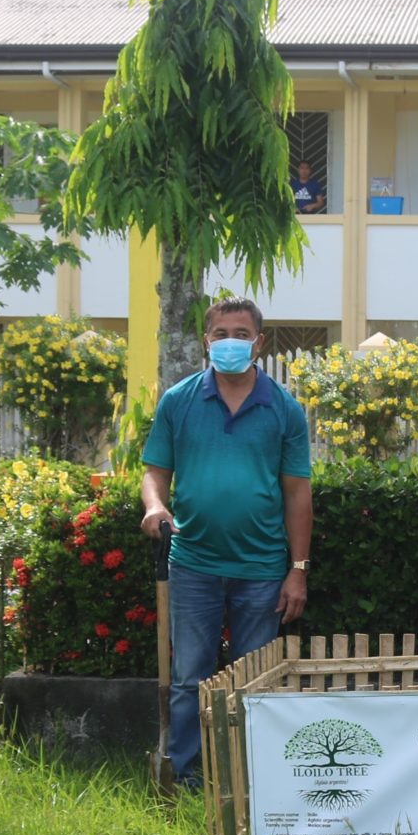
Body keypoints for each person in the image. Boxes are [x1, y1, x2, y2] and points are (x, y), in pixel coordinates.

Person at [141, 297, 314, 789]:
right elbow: (156, 472)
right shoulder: (178, 400)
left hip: (261, 570)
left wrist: (297, 568)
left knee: (252, 683)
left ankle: (246, 778)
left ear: (259, 343)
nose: (230, 342)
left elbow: (297, 493)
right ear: (206, 341)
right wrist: (155, 505)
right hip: (193, 563)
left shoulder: (283, 408)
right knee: (188, 680)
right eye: (221, 333)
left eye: (241, 333)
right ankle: (186, 774)